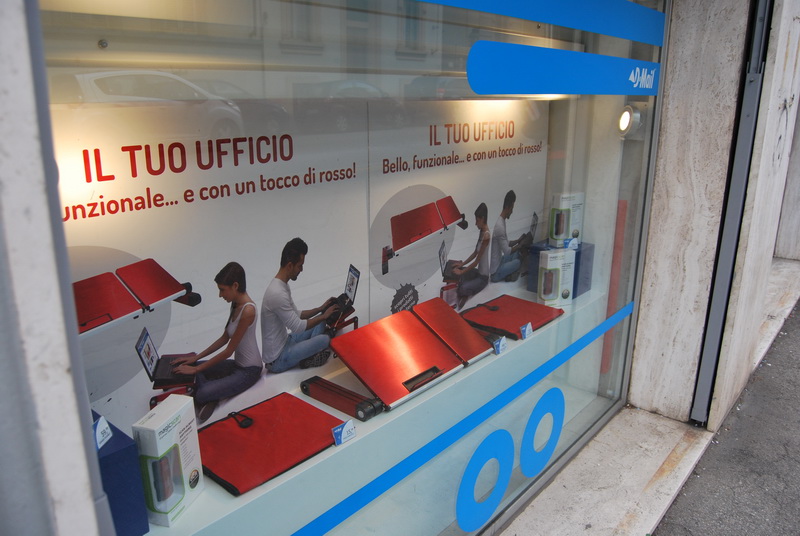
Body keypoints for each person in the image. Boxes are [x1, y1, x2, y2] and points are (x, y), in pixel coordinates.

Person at [172, 262, 263, 422]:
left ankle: (210, 394)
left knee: (201, 392)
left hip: (249, 371)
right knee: (195, 367)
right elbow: (224, 338)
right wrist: (195, 359)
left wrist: (196, 369)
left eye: (222, 290)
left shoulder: (248, 311)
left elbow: (228, 351)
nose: (220, 295)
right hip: (236, 365)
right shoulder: (235, 304)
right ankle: (215, 392)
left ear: (235, 286)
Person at [261, 237, 339, 373]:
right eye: (300, 265)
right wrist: (324, 316)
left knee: (322, 320)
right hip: (278, 359)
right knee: (325, 339)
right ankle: (313, 352)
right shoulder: (277, 293)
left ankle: (311, 352)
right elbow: (297, 326)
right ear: (290, 265)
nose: (301, 270)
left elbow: (297, 314)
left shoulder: (281, 285)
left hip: (286, 341)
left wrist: (320, 309)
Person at [451, 203, 491, 310]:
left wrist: (461, 272)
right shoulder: (482, 232)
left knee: (461, 288)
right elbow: (475, 253)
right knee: (458, 273)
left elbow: (477, 261)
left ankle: (467, 292)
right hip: (477, 273)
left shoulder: (486, 235)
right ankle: (468, 285)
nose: (475, 223)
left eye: (477, 220)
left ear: (483, 219)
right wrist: (462, 265)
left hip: (483, 277)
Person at [490, 190, 525, 282]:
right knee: (518, 262)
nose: (512, 211)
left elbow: (506, 243)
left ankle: (511, 272)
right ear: (507, 207)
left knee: (517, 253)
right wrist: (520, 245)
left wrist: (518, 240)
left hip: (499, 262)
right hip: (495, 273)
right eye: (511, 208)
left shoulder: (501, 221)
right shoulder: (500, 227)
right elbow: (507, 251)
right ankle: (511, 274)